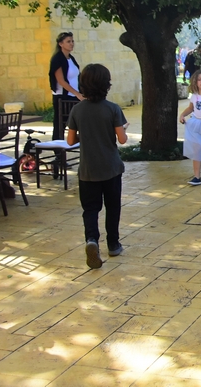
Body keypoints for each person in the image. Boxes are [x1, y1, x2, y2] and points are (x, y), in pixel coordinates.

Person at [66, 63, 128, 269]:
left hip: (88, 170)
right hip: (111, 168)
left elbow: (70, 141)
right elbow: (122, 139)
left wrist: (88, 133)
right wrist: (123, 128)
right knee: (113, 207)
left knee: (90, 209)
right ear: (106, 85)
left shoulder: (77, 110)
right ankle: (113, 244)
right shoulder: (113, 109)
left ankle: (91, 240)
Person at [48, 31, 83, 140]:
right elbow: (61, 81)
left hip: (74, 96)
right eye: (68, 41)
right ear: (60, 44)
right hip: (62, 97)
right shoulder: (57, 59)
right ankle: (58, 153)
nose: (71, 43)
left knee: (80, 121)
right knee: (60, 125)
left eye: (72, 41)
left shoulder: (71, 58)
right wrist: (77, 94)